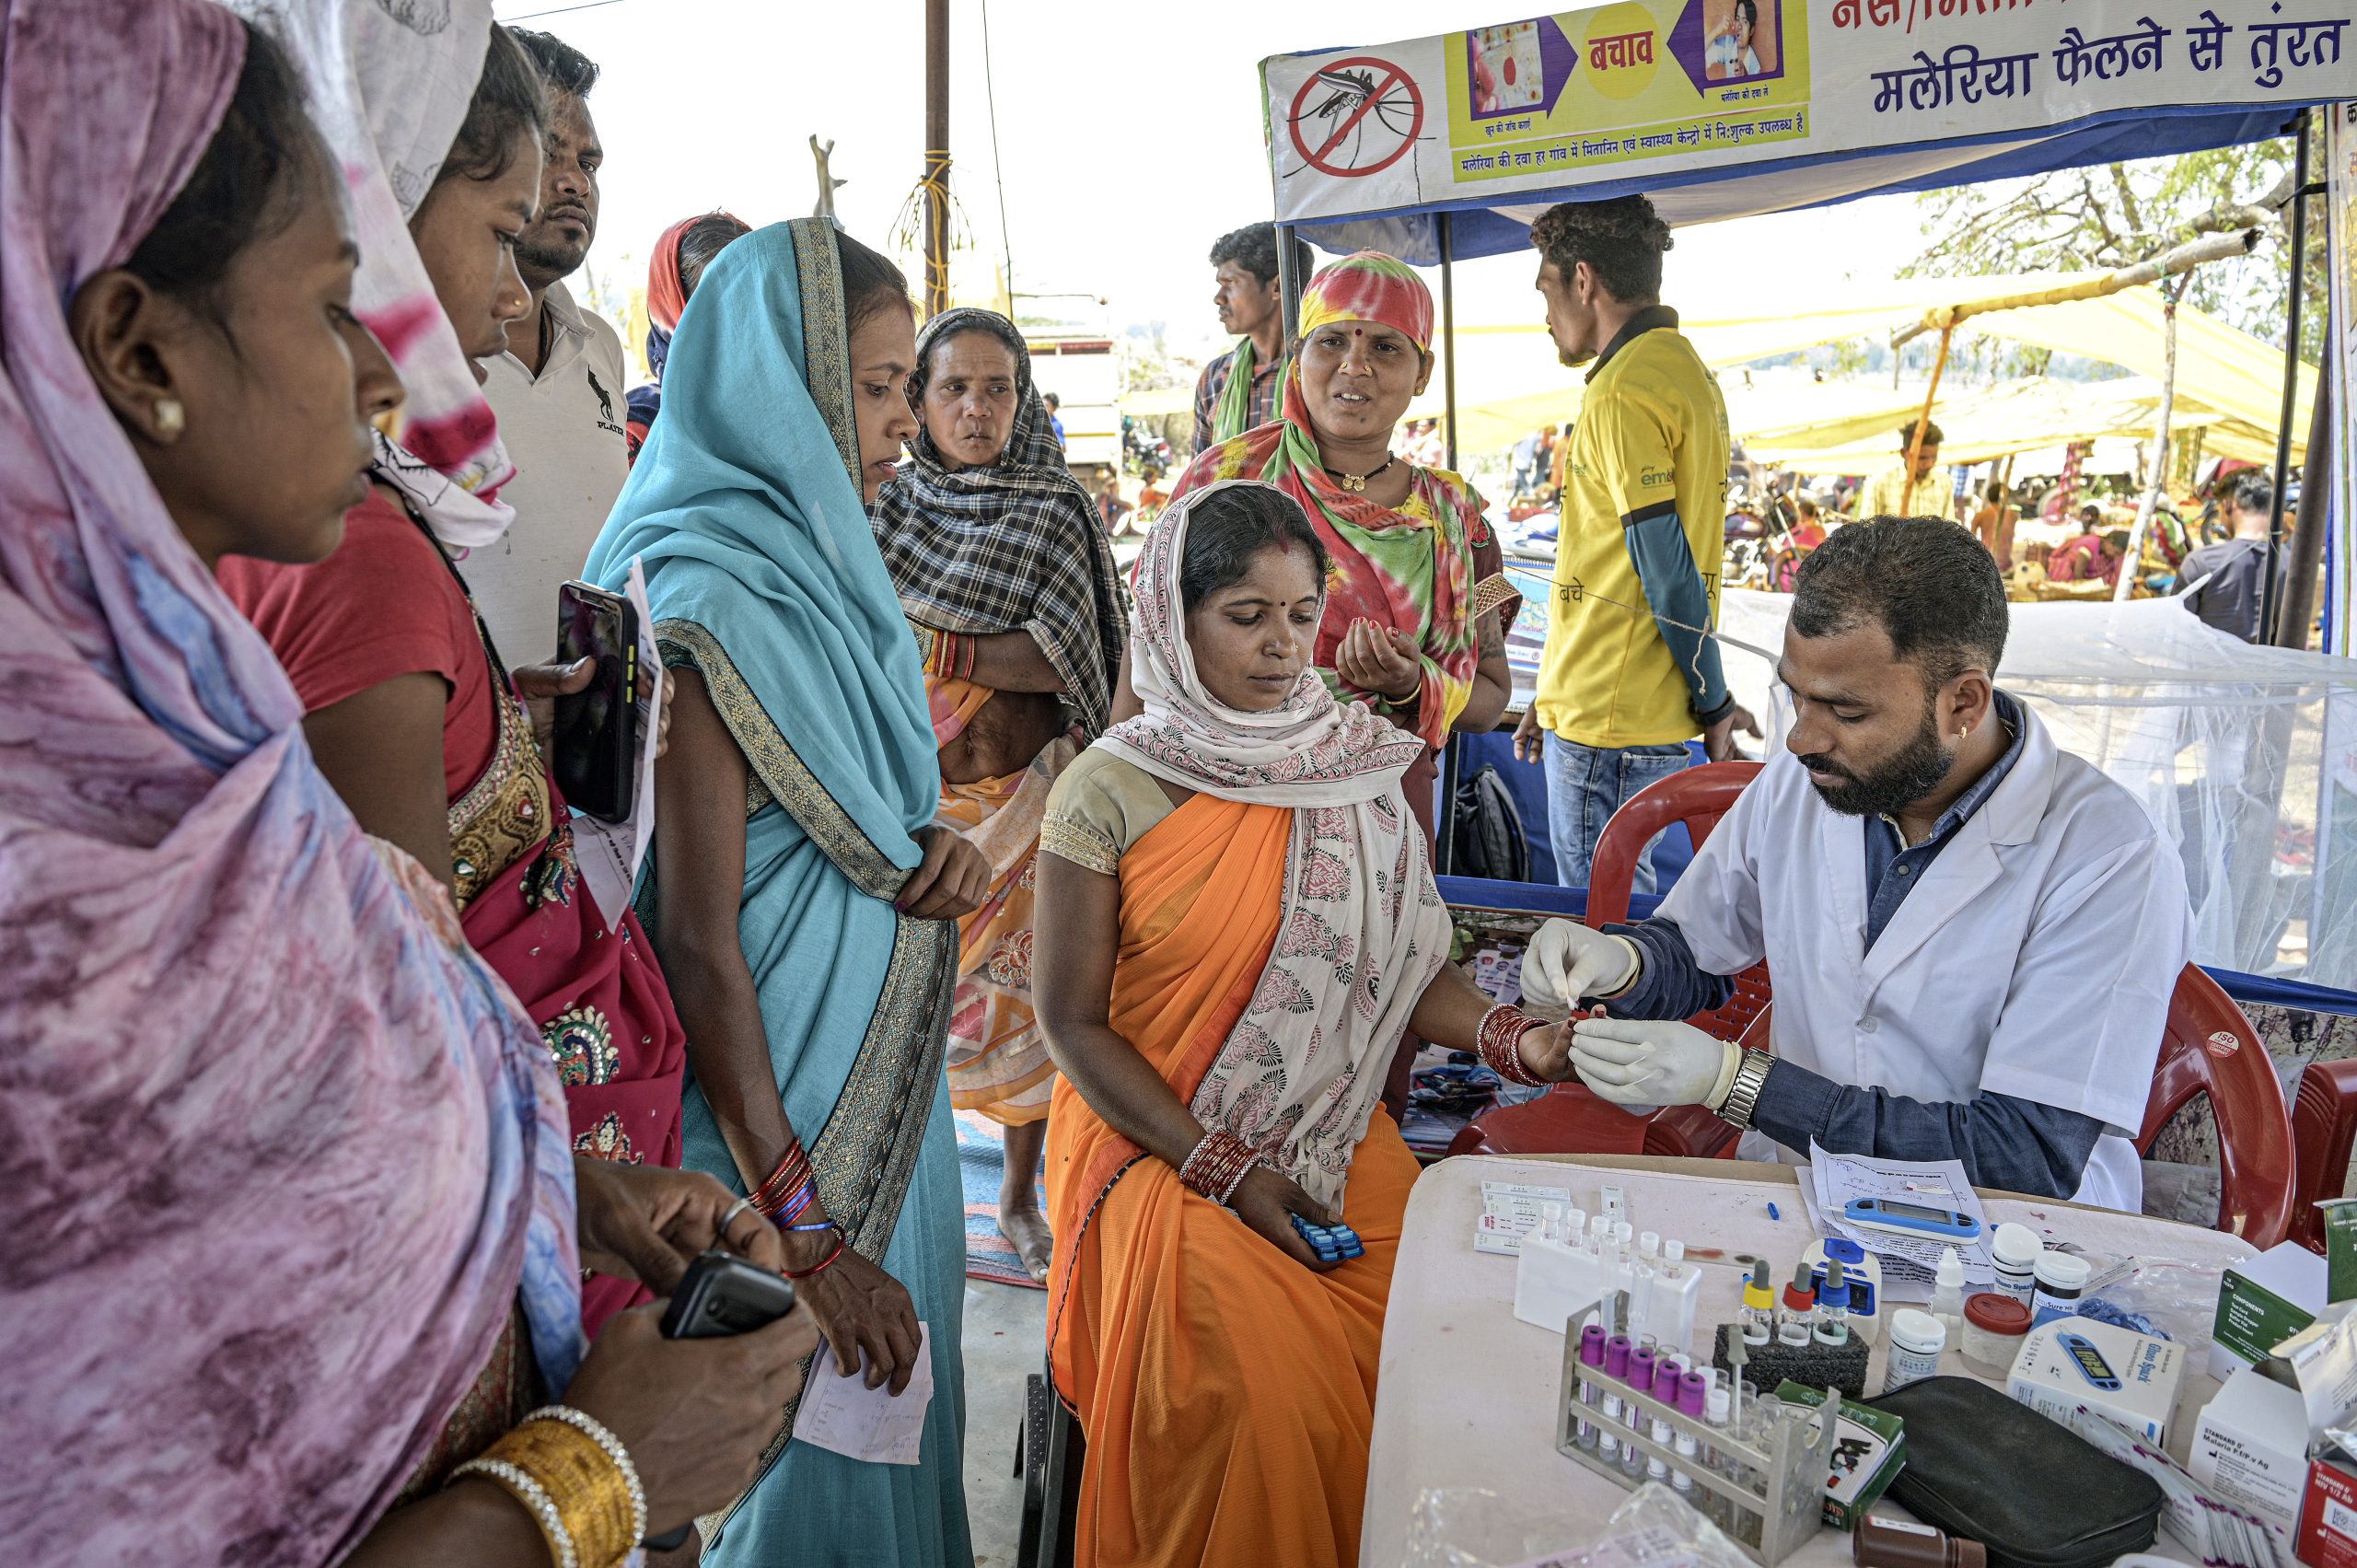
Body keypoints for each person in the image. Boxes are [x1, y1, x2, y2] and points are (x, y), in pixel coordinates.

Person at [13, 3, 817, 1558]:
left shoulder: (198, 736)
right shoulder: (55, 925)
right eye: (333, 308)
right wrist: (595, 1472)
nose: (391, 382)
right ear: (136, 344)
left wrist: (560, 1188)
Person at [217, 18, 688, 1337]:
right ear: (373, 206)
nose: (507, 288)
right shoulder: (356, 549)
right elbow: (408, 1035)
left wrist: (492, 737)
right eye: (496, 230)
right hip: (485, 1265)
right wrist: (597, 1467)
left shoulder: (374, 521)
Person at [1035, 481, 1583, 1568]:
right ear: (1171, 619)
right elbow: (1070, 1022)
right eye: (1245, 615)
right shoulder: (1109, 787)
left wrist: (1510, 1039)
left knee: (1449, 1343)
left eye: (1299, 613)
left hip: (1324, 1128)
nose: (1284, 646)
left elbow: (1405, 970)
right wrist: (1226, 1166)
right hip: (1154, 1137)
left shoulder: (1352, 762)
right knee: (1257, 1392)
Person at [591, 217, 981, 1566]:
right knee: (801, 1474)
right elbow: (697, 943)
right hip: (774, 1146)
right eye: (876, 386)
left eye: (900, 384)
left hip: (883, 1101)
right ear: (777, 380)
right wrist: (809, 1233)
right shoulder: (703, 593)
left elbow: (859, 819)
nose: (903, 424)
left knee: (890, 1443)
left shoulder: (825, 570)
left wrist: (928, 847)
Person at [1524, 519, 2190, 1208]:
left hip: (2007, 1248)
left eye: (1844, 709)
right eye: (1795, 694)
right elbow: (1696, 949)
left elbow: (2022, 1155)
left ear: (1963, 701)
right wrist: (1622, 962)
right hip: (1798, 1198)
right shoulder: (1804, 778)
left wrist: (1736, 1082)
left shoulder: (2109, 856)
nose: (1802, 735)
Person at [870, 307, 1131, 1284]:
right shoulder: (886, 508)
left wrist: (939, 644)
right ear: (919, 400)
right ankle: (913, 1189)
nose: (976, 409)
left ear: (1022, 401)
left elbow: (1068, 656)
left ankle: (1020, 1195)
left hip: (1027, 801)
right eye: (953, 389)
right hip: (921, 807)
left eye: (997, 388)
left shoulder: (1055, 507)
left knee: (1031, 1006)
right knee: (922, 1007)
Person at [1163, 250, 1517, 849]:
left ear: (1422, 370)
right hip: (1225, 805)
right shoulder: (1223, 478)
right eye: (1332, 341)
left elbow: (1488, 698)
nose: (1355, 366)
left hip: (1383, 823)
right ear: (1299, 357)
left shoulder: (1457, 520)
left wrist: (1409, 685)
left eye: (1385, 346)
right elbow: (1147, 645)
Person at [1512, 195, 1758, 893]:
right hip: (1608, 705)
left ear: (1582, 280)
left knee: (1604, 932)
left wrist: (1714, 702)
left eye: (1546, 289)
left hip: (1609, 723)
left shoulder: (1621, 393)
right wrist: (1551, 697)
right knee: (1628, 918)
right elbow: (1606, 569)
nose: (1546, 315)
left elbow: (1667, 570)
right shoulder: (1684, 371)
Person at [470, 29, 628, 664]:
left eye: (588, 164)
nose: (575, 184)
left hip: (583, 734)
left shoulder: (602, 349)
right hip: (459, 746)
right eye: (550, 154)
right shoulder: (426, 357)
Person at [627, 209, 751, 464]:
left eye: (750, 299)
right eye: (714, 307)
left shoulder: (795, 400)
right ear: (673, 315)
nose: (739, 322)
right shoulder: (641, 429)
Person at [1192, 222, 1314, 451]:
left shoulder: (1317, 372)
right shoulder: (1216, 378)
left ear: (1277, 287)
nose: (1219, 298)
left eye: (1231, 283)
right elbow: (1199, 479)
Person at [2178, 473, 2286, 643]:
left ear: (2228, 504)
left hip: (2208, 667)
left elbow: (2177, 631)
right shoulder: (2292, 563)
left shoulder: (2201, 562)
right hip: (2270, 667)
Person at [1855, 418, 1945, 521]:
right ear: (1904, 453)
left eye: (1933, 457)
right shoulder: (1880, 483)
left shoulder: (1944, 482)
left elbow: (1951, 530)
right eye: (1922, 458)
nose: (1929, 464)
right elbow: (1867, 530)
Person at [2048, 524, 2128, 588]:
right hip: (2072, 575)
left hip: (2088, 578)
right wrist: (2084, 588)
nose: (2115, 556)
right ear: (2110, 542)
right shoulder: (2091, 543)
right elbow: (2078, 574)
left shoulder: (2107, 553)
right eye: (2116, 552)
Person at [1969, 478, 2015, 570]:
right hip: (2005, 564)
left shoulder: (1981, 515)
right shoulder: (2013, 515)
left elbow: (1971, 540)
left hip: (1988, 564)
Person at [1707, 0, 1763, 76]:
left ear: (1751, 31)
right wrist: (1717, 30)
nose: (1739, 26)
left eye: (1745, 21)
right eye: (1737, 19)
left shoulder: (1754, 66)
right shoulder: (1728, 44)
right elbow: (1699, 52)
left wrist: (1746, 76)